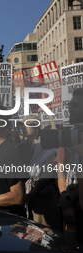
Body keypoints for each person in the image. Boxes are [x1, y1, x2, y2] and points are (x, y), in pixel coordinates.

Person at [16, 116, 59, 230]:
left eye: (27, 125)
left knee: (45, 234)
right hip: (25, 197)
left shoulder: (48, 147)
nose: (23, 128)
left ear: (37, 128)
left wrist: (30, 194)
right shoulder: (19, 148)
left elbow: (47, 175)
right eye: (22, 125)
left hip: (43, 199)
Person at [55, 88, 83, 244]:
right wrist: (65, 203)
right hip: (70, 207)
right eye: (70, 105)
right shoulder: (64, 136)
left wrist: (70, 197)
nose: (70, 109)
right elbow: (61, 171)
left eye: (76, 105)